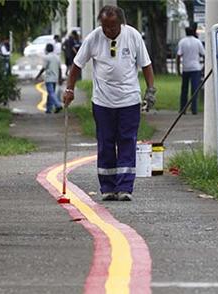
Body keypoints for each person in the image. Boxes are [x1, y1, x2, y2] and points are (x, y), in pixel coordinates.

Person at [62, 5, 156, 201]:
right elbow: (77, 65)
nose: (108, 31)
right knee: (105, 143)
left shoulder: (133, 36)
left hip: (129, 100)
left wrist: (150, 90)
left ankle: (124, 187)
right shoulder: (94, 38)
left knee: (127, 141)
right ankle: (107, 187)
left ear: (121, 23)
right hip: (102, 101)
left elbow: (146, 64)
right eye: (105, 26)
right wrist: (70, 89)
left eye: (112, 27)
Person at [176, 27, 205, 115]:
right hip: (196, 68)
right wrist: (203, 67)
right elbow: (204, 54)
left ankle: (183, 109)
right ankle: (194, 109)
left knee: (184, 89)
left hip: (186, 68)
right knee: (194, 90)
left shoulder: (182, 42)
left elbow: (178, 56)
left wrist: (178, 69)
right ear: (194, 32)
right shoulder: (197, 42)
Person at [35, 43, 63, 114]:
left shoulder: (46, 57)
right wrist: (60, 78)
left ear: (47, 49)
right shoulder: (57, 57)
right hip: (55, 77)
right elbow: (60, 69)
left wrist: (38, 76)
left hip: (49, 78)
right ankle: (49, 109)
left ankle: (58, 105)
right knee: (51, 93)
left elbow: (43, 68)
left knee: (51, 93)